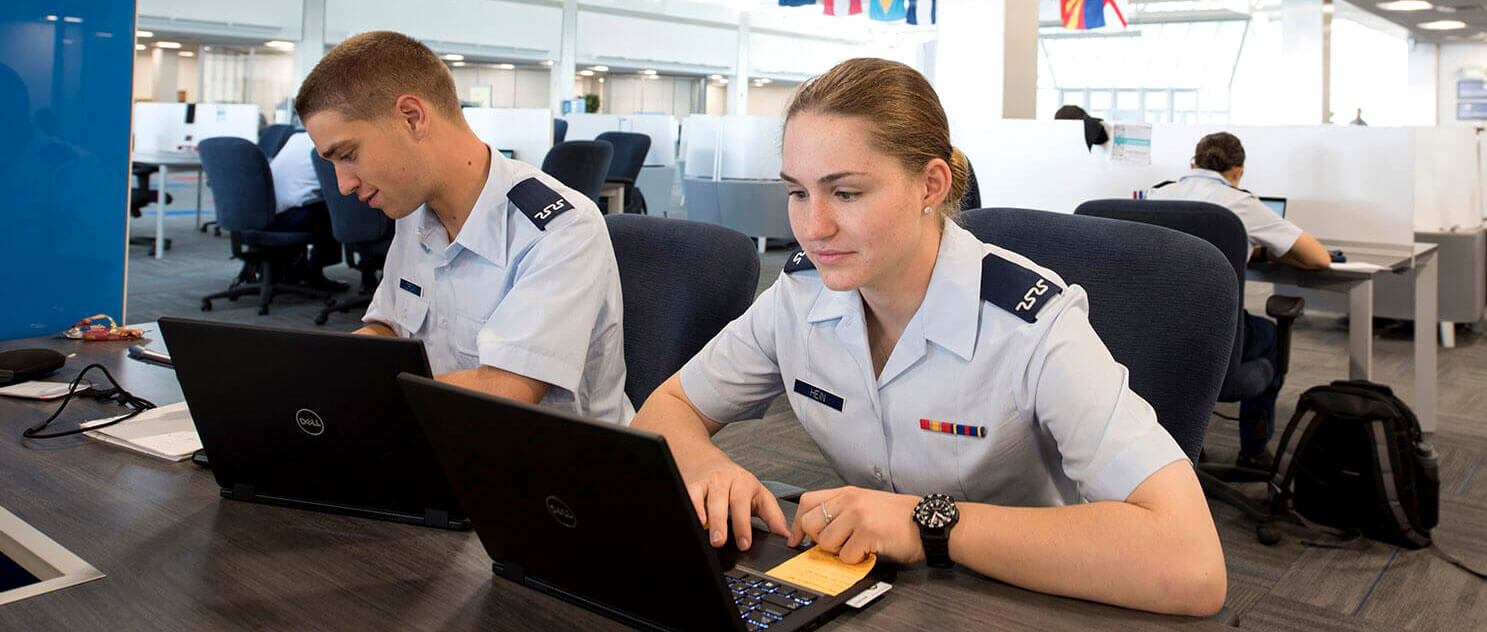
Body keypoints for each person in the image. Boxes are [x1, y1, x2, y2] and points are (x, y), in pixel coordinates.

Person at [630, 58, 1226, 616]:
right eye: (797, 192)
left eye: (846, 192)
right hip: (880, 591)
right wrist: (705, 463)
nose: (813, 227)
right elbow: (669, 408)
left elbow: (1192, 563)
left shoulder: (1032, 325)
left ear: (931, 185)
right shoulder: (800, 296)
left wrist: (927, 522)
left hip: (1026, 600)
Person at [294, 31, 632, 425]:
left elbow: (505, 393)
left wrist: (356, 394)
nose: (343, 185)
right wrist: (313, 375)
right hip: (438, 442)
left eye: (349, 155)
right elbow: (390, 330)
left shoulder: (560, 231)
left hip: (550, 468)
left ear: (412, 118)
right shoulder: (412, 214)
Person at [1148, 132, 1330, 469]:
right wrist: (1270, 251)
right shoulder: (1241, 204)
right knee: (1269, 337)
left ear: (1192, 164)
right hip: (1215, 340)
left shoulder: (1153, 196)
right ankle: (1254, 451)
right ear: (1239, 172)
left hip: (1152, 338)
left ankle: (1183, 441)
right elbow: (1319, 258)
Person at [267, 130, 346, 291]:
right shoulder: (332, 141)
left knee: (323, 201)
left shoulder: (296, 138)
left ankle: (298, 268)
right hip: (291, 215)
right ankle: (314, 273)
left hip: (269, 212)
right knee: (336, 209)